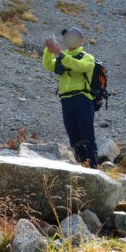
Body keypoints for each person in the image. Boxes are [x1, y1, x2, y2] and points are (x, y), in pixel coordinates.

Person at [42, 27, 99, 168]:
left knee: (87, 136)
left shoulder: (87, 57)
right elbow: (48, 65)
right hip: (66, 100)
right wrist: (49, 51)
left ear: (81, 41)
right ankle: (81, 165)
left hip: (83, 99)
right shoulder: (64, 56)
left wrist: (60, 54)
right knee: (74, 137)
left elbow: (78, 66)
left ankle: (93, 167)